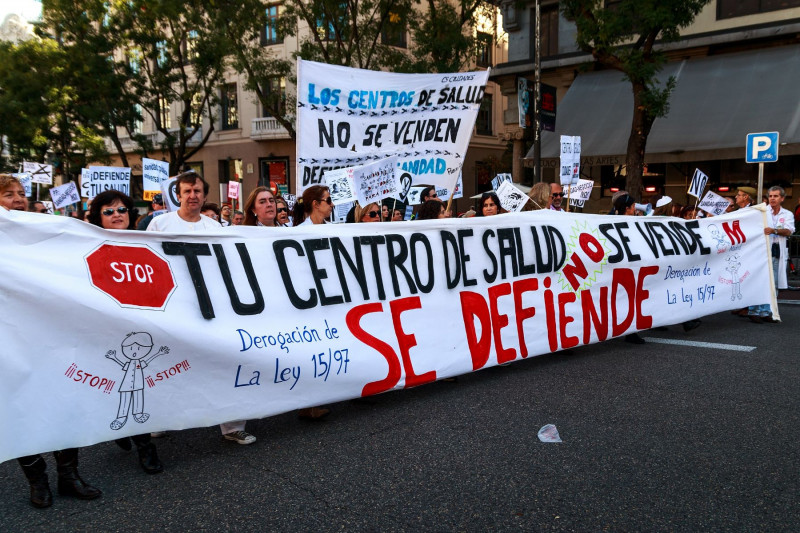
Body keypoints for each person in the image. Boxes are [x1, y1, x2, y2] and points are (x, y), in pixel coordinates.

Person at [1, 175, 103, 507]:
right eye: (7, 194)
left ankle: (68, 476)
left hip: (49, 334)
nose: (18, 199)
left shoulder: (42, 232)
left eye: (20, 193)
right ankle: (37, 479)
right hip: (9, 340)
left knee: (64, 400)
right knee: (21, 408)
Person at [147, 171, 256, 444]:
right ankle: (160, 419)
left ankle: (232, 426)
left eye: (197, 191)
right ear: (178, 195)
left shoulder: (215, 228)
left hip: (210, 307)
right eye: (187, 191)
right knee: (167, 364)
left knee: (224, 361)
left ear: (204, 195)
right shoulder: (159, 224)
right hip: (172, 306)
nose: (192, 196)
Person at [87, 190, 163, 474]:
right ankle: (128, 434)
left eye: (121, 209)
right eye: (108, 211)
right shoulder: (86, 245)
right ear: (98, 217)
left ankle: (145, 446)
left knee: (140, 388)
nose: (116, 214)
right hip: (104, 329)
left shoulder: (146, 244)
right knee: (115, 387)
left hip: (139, 329)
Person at [748, 186, 795, 323]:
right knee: (758, 281)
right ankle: (754, 311)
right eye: (770, 196)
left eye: (776, 196)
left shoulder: (787, 214)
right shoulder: (760, 212)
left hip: (776, 251)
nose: (773, 198)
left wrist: (773, 230)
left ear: (782, 198)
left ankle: (767, 312)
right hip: (760, 251)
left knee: (773, 283)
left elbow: (789, 231)